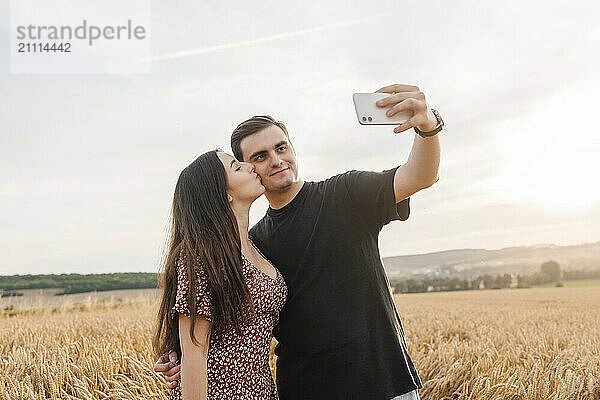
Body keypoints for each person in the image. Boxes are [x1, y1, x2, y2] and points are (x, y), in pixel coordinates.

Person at [155, 84, 442, 400]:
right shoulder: (250, 247)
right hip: (302, 390)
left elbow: (420, 176)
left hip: (382, 384)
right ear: (248, 170)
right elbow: (220, 326)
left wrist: (428, 129)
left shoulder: (344, 194)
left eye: (281, 148)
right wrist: (181, 359)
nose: (276, 160)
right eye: (259, 157)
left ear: (292, 148)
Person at [152, 149, 288, 399]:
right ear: (224, 196)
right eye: (237, 167)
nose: (249, 166)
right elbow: (195, 350)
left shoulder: (254, 245)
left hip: (261, 391)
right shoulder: (201, 254)